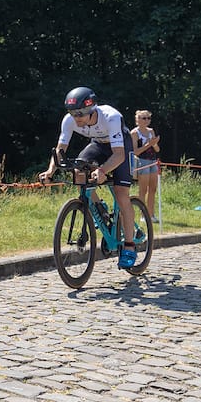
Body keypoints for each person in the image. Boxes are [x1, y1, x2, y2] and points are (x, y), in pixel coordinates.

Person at [38, 87, 138, 268]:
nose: (76, 119)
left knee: (121, 192)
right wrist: (50, 171)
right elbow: (60, 150)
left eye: (80, 115)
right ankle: (100, 208)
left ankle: (130, 246)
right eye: (73, 114)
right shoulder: (69, 120)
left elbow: (118, 155)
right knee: (78, 172)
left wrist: (102, 171)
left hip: (120, 147)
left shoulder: (111, 117)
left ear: (91, 110)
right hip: (98, 145)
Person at [130, 109, 160, 222]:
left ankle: (151, 214)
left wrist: (155, 143)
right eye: (144, 118)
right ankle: (143, 215)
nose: (147, 120)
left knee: (153, 189)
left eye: (148, 118)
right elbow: (135, 151)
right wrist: (149, 144)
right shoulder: (134, 133)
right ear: (137, 120)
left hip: (152, 160)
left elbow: (157, 149)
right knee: (143, 190)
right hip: (142, 161)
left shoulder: (151, 131)